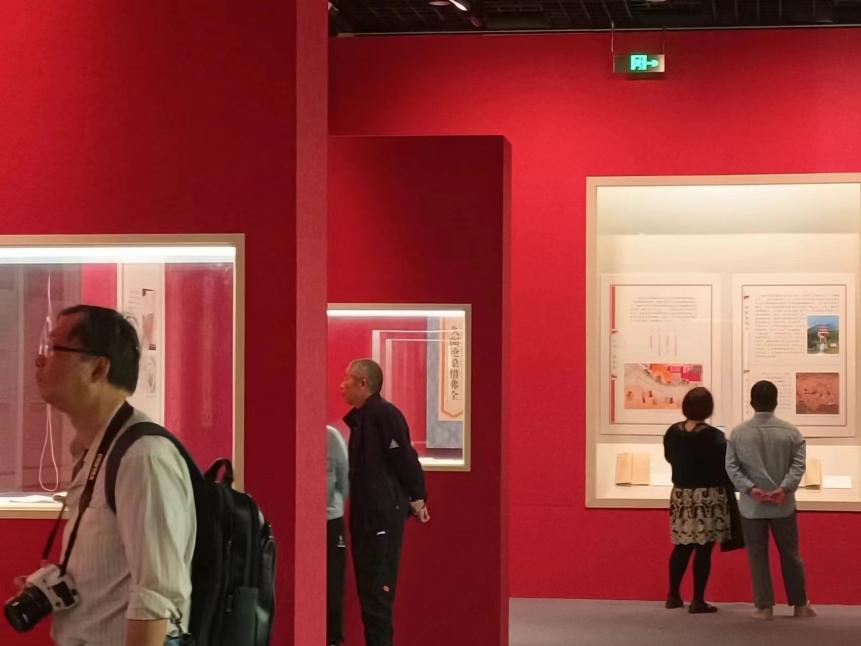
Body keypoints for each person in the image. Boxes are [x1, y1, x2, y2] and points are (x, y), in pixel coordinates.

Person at [35, 305, 195, 645]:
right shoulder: (97, 449)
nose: (40, 361)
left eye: (54, 348)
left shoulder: (143, 456)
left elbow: (155, 596)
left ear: (98, 368)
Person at [340, 358, 429, 646]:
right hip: (366, 522)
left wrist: (418, 497)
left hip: (380, 522)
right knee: (370, 599)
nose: (342, 385)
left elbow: (404, 458)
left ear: (363, 383)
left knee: (378, 599)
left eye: (347, 379)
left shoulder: (384, 415)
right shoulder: (362, 420)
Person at [725, 380, 816, 621]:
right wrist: (784, 489)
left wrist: (750, 488)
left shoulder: (738, 433)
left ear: (751, 402)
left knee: (757, 555)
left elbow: (732, 467)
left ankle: (764, 607)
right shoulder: (791, 432)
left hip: (751, 506)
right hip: (783, 505)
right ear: (776, 402)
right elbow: (798, 466)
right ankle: (800, 604)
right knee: (791, 554)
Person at [662, 387, 733, 614]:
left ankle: (673, 594)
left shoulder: (673, 432)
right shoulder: (713, 436)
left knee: (681, 546)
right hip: (707, 496)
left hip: (681, 494)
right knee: (704, 548)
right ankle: (698, 600)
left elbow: (669, 457)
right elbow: (724, 465)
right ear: (708, 408)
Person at [327, 425, 349, 646]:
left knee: (334, 586)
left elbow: (345, 481)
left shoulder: (331, 437)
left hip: (331, 521)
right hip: (303, 523)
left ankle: (333, 640)